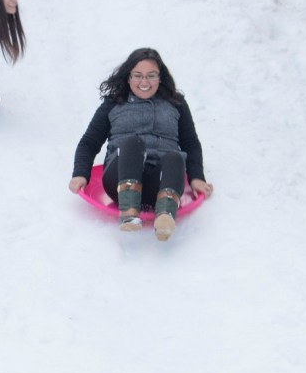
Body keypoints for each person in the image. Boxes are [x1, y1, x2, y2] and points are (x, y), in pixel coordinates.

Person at [68, 47, 213, 241]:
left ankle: (165, 216)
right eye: (138, 76)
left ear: (160, 77)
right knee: (133, 143)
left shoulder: (176, 103)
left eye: (151, 76)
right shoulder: (113, 103)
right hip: (119, 178)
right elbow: (89, 142)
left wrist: (196, 177)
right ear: (128, 77)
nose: (144, 82)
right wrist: (80, 173)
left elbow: (191, 143)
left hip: (159, 184)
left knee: (175, 156)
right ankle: (128, 210)